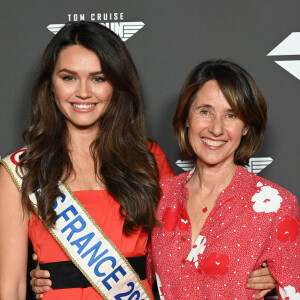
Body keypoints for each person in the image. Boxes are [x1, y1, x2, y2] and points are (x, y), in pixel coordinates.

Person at [0, 21, 174, 300]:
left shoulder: (148, 159)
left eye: (98, 78)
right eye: (68, 77)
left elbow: (185, 254)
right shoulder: (21, 170)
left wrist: (253, 269)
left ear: (116, 85)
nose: (83, 92)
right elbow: (11, 289)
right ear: (50, 84)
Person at [147, 59, 300, 299]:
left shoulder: (277, 206)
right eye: (205, 111)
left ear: (247, 126)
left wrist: (278, 276)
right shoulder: (158, 196)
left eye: (231, 115)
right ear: (187, 118)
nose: (216, 129)